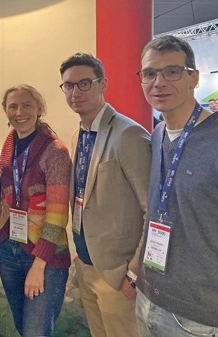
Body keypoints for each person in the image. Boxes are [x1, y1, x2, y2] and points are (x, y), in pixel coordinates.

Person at [135, 35, 218, 337]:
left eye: (172, 71)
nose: (159, 82)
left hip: (200, 316)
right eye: (150, 73)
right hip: (149, 297)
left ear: (194, 78)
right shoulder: (158, 134)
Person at [59, 53, 151, 337]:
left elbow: (153, 211)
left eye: (84, 83)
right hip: (87, 265)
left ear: (103, 84)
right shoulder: (79, 134)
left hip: (117, 273)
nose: (76, 92)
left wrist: (133, 274)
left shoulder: (128, 134)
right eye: (69, 85)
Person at [0, 84, 71, 337]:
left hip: (44, 255)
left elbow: (58, 214)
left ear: (39, 108)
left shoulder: (55, 150)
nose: (20, 112)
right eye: (13, 106)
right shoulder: (8, 146)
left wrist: (39, 264)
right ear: (5, 111)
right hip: (9, 249)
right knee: (23, 327)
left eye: (27, 105)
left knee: (36, 331)